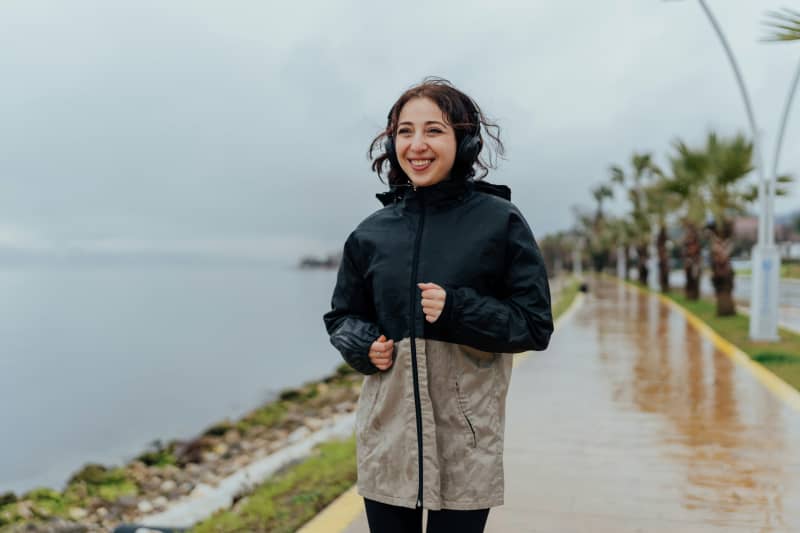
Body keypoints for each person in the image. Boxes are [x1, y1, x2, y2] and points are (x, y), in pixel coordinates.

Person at [322, 76, 553, 533]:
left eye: (434, 130)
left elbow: (534, 325)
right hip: (388, 439)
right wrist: (364, 344)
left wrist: (458, 310)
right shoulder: (370, 233)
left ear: (462, 141)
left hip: (467, 442)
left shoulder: (499, 221)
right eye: (404, 131)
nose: (417, 144)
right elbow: (342, 316)